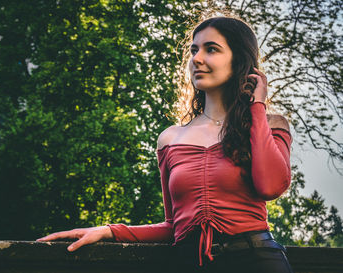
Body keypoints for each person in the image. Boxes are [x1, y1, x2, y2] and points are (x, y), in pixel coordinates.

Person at [37, 16, 294, 273]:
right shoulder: (170, 139)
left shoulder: (271, 125)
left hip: (257, 262)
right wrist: (107, 231)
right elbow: (175, 226)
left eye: (211, 49)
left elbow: (270, 186)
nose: (197, 58)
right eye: (194, 50)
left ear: (238, 60)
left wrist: (257, 108)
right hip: (189, 264)